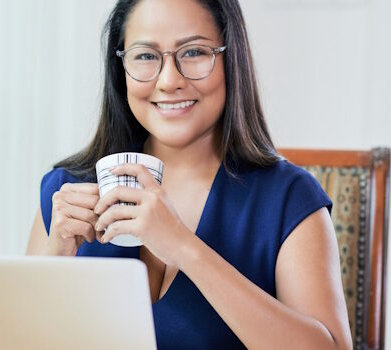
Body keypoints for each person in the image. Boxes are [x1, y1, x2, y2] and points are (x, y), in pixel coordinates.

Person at [25, 0, 352, 348]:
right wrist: (54, 260)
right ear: (120, 67)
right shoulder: (66, 191)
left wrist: (183, 246)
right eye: (146, 56)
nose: (169, 81)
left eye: (194, 51)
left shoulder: (289, 199)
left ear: (230, 59)